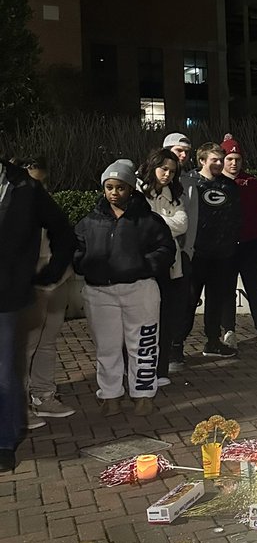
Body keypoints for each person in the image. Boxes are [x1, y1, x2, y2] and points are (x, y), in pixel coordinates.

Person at [73, 159, 175, 416]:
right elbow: (75, 249)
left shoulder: (149, 220)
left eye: (120, 187)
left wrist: (143, 266)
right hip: (100, 292)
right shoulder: (89, 222)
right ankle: (110, 395)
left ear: (131, 188)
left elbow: (165, 250)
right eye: (109, 187)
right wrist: (85, 264)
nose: (114, 192)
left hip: (139, 289)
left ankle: (143, 394)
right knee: (106, 346)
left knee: (143, 344)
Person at [0, 156, 74, 470]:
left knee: (4, 372)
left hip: (6, 297)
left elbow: (62, 231)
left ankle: (5, 443)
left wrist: (51, 271)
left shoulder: (26, 187)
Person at [13, 156, 76, 424]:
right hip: (27, 285)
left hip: (56, 280)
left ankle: (43, 395)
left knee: (48, 342)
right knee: (24, 346)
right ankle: (17, 407)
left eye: (41, 183)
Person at [137, 148, 189, 385]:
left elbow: (183, 223)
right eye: (163, 169)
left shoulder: (174, 194)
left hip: (169, 266)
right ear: (153, 166)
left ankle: (160, 371)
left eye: (171, 171)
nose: (167, 174)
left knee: (166, 318)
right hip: (144, 265)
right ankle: (141, 368)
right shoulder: (138, 192)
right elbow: (140, 225)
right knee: (143, 320)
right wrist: (162, 225)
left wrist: (155, 222)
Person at [220, 134, 257, 351]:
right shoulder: (215, 184)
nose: (234, 163)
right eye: (229, 159)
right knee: (227, 290)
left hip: (251, 246)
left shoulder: (253, 183)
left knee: (255, 289)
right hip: (226, 247)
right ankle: (228, 331)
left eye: (237, 159)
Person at [187, 143, 241, 359]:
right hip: (196, 254)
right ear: (202, 161)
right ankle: (176, 345)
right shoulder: (190, 182)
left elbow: (237, 216)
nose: (219, 164)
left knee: (216, 300)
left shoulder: (229, 186)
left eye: (221, 159)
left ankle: (213, 341)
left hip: (222, 255)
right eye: (214, 160)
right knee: (189, 300)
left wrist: (231, 242)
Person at [162, 131, 198, 371]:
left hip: (183, 253)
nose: (183, 155)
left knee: (184, 302)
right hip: (156, 255)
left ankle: (176, 347)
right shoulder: (147, 180)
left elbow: (190, 220)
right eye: (178, 150)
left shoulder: (190, 182)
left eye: (186, 151)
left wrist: (188, 250)